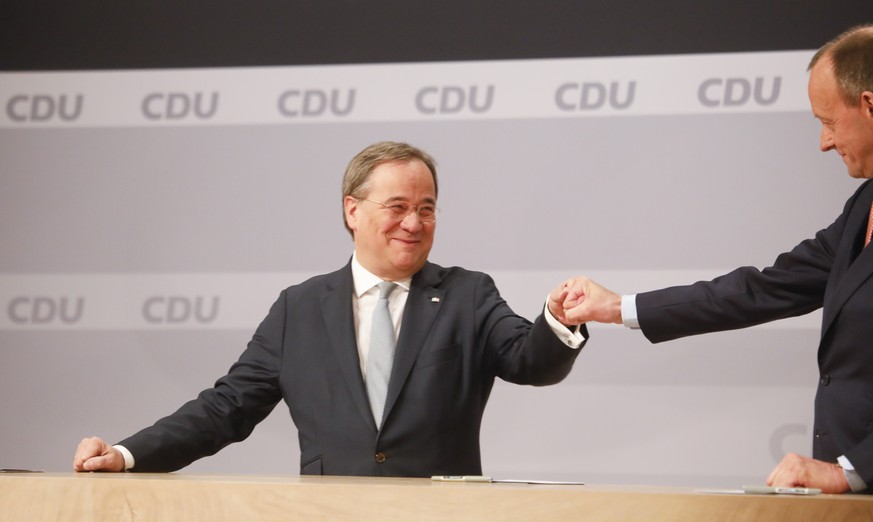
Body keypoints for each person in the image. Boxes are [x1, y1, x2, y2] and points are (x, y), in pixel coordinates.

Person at [74, 141, 587, 477]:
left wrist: (558, 321)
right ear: (352, 210)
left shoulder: (467, 295)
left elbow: (530, 362)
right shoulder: (298, 309)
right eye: (398, 207)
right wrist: (125, 455)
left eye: (426, 208)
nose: (414, 222)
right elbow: (224, 409)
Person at [558, 24, 873, 494]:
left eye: (828, 122)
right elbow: (762, 289)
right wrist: (619, 307)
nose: (823, 142)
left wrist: (850, 469)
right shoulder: (861, 207)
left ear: (869, 104)